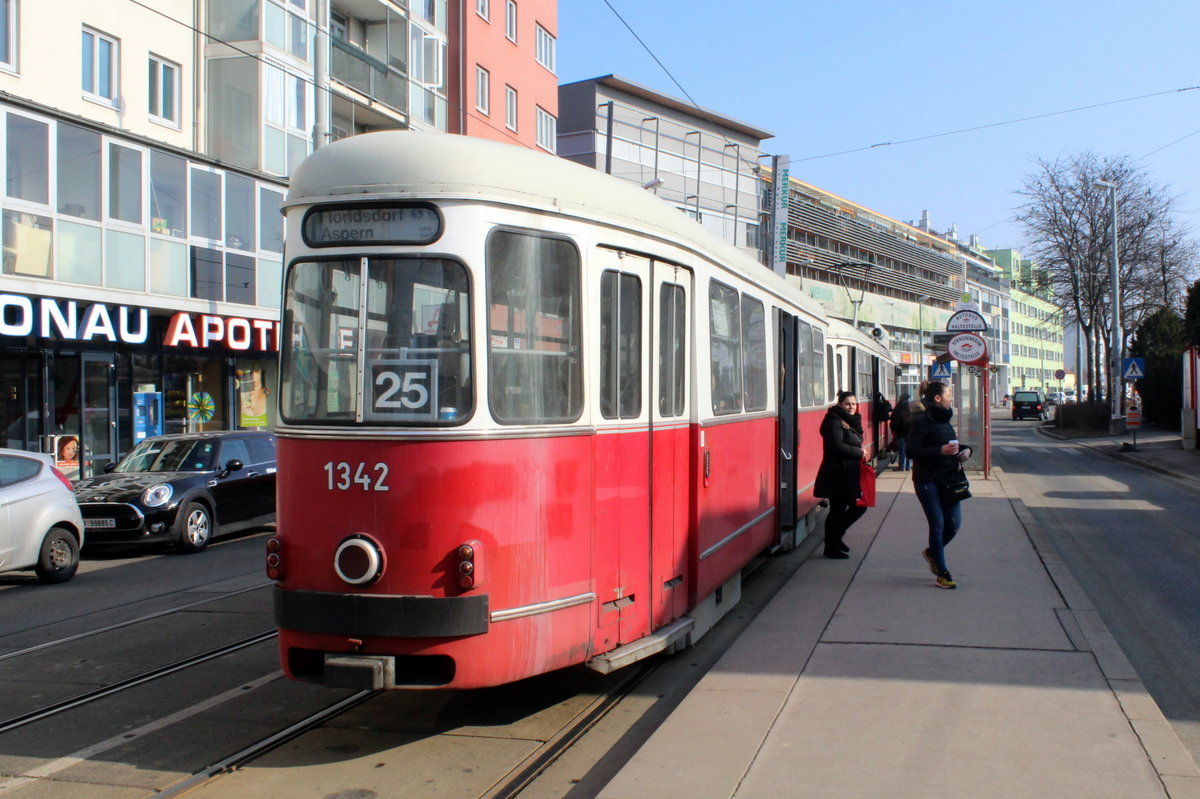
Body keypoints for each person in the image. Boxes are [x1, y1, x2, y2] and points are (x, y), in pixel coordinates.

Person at [907, 381, 972, 589]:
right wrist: (940, 452)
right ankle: (943, 572)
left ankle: (932, 552)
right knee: (938, 524)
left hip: (949, 479)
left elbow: (947, 442)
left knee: (954, 524)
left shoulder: (944, 417)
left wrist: (966, 450)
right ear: (937, 398)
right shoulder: (921, 419)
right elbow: (911, 451)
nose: (951, 398)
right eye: (949, 394)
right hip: (927, 479)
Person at [814, 391, 869, 559]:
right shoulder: (833, 421)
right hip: (837, 473)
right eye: (847, 404)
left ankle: (834, 540)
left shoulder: (849, 421)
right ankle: (832, 544)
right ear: (840, 404)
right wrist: (858, 452)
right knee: (840, 509)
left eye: (853, 404)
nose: (851, 407)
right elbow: (836, 446)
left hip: (847, 473)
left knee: (849, 508)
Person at [889, 393, 912, 471]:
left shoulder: (898, 407)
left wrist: (894, 429)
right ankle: (908, 466)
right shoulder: (911, 407)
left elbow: (893, 418)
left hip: (900, 432)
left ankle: (902, 466)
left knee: (902, 449)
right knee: (908, 449)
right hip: (909, 432)